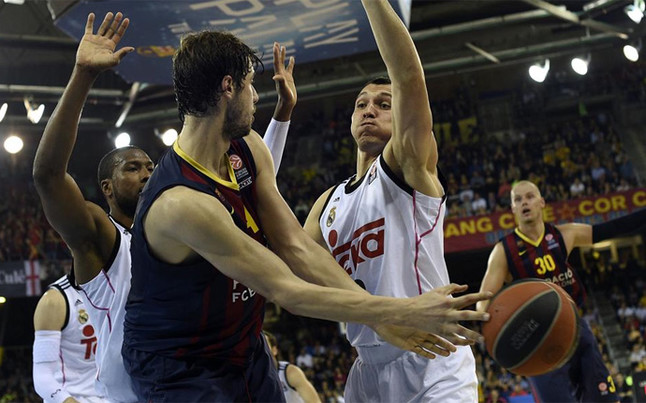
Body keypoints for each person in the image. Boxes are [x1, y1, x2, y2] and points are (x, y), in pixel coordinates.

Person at [122, 21, 491, 402]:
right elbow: (288, 288)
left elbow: (296, 246)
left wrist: (383, 319)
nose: (255, 97)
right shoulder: (182, 203)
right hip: (182, 364)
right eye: (250, 85)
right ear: (228, 88)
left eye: (382, 104)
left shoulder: (246, 147)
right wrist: (398, 313)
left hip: (246, 347)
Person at [32, 11, 300, 402]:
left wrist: (281, 115)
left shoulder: (180, 213)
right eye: (132, 167)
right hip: (143, 389)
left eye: (150, 165)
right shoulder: (104, 241)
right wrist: (83, 77)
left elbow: (255, 179)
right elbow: (48, 176)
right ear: (106, 188)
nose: (146, 172)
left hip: (212, 371)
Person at [304, 1, 478, 401]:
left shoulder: (406, 163)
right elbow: (295, 266)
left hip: (433, 355)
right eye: (361, 104)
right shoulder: (327, 203)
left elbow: (409, 77)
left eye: (383, 104)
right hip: (367, 367)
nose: (370, 110)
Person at [478, 180, 646, 402]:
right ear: (513, 209)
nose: (524, 202)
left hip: (574, 326)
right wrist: (501, 328)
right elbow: (483, 302)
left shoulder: (564, 235)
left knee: (604, 397)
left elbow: (612, 229)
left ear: (542, 202)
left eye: (529, 197)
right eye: (518, 200)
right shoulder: (503, 251)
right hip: (537, 340)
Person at [32, 273, 103, 403]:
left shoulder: (123, 289)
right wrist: (66, 400)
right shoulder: (54, 300)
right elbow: (43, 376)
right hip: (73, 398)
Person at [264, 332, 319, 403]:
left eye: (264, 345)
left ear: (274, 350)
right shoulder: (250, 379)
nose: (261, 350)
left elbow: (314, 401)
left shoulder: (289, 372)